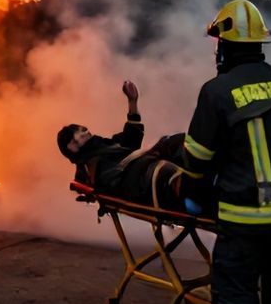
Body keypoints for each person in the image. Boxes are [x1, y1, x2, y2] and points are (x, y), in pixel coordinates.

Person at [182, 0, 271, 304]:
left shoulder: (217, 90)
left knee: (237, 300)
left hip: (245, 220)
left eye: (218, 45)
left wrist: (195, 197)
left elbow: (197, 158)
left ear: (225, 47)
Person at [58, 81, 192, 211]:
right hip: (136, 182)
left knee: (178, 142)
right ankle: (196, 199)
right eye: (73, 139)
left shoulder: (106, 145)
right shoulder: (86, 168)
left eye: (81, 130)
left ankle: (208, 181)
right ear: (69, 150)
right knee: (165, 163)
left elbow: (131, 139)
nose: (81, 135)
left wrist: (132, 101)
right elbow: (99, 183)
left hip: (141, 171)